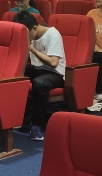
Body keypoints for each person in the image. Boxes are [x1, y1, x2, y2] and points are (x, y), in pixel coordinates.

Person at [14, 11, 66, 141]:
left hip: (56, 74)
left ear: (34, 28)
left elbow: (53, 62)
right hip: (37, 70)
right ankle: (17, 118)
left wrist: (32, 49)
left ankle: (36, 125)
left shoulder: (53, 34)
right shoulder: (30, 36)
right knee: (14, 76)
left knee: (39, 83)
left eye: (26, 34)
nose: (25, 37)